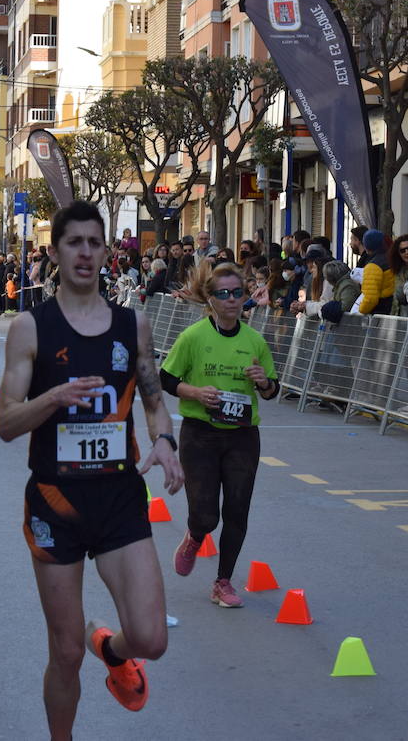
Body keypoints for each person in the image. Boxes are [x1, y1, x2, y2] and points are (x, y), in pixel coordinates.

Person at [0, 200, 182, 737]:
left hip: (119, 498)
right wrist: (51, 398)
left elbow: (151, 398)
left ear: (106, 251)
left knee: (150, 639)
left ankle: (112, 647)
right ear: (55, 252)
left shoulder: (132, 325)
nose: (84, 253)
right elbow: (5, 424)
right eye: (73, 242)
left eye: (93, 243)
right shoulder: (31, 328)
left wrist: (164, 440)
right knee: (66, 650)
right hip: (57, 502)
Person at [160, 261, 278, 609]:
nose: (231, 300)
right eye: (223, 294)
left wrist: (263, 382)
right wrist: (195, 393)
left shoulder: (254, 340)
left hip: (242, 435)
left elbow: (272, 390)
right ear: (210, 299)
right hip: (201, 434)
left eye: (237, 293)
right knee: (207, 514)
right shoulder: (193, 337)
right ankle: (196, 534)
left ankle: (223, 582)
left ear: (245, 297)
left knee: (238, 511)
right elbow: (166, 379)